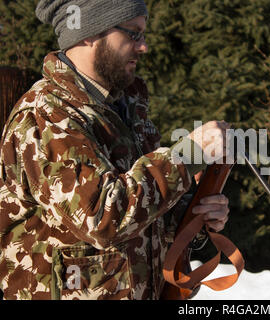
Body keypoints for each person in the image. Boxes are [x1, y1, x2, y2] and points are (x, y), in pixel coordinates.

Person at [0, 0, 231, 300]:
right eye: (133, 34)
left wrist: (193, 213)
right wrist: (185, 158)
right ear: (88, 33)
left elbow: (139, 214)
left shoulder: (123, 108)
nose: (143, 46)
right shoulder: (47, 115)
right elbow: (101, 217)